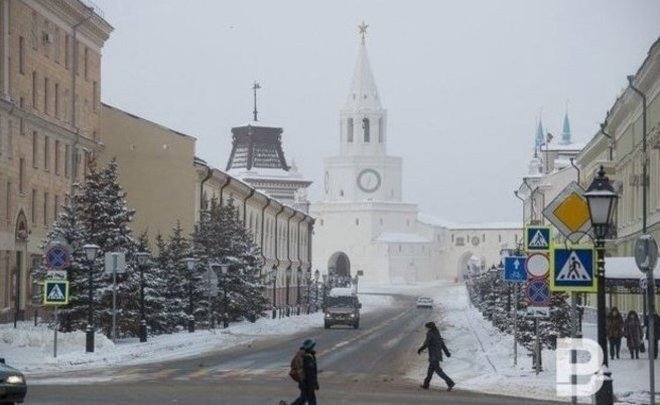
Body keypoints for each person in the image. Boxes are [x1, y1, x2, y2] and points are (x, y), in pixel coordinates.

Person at [417, 321, 455, 391]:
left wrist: (420, 349)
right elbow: (442, 344)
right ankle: (426, 385)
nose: (426, 329)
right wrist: (447, 353)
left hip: (433, 356)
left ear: (429, 327)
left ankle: (450, 383)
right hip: (437, 355)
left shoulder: (430, 334)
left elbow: (426, 343)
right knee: (430, 371)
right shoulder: (437, 333)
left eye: (427, 328)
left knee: (438, 371)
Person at [291, 338, 319, 405]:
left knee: (303, 399)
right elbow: (310, 373)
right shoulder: (307, 357)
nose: (313, 348)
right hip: (307, 384)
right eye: (312, 346)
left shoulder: (306, 355)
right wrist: (312, 384)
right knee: (309, 400)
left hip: (306, 383)